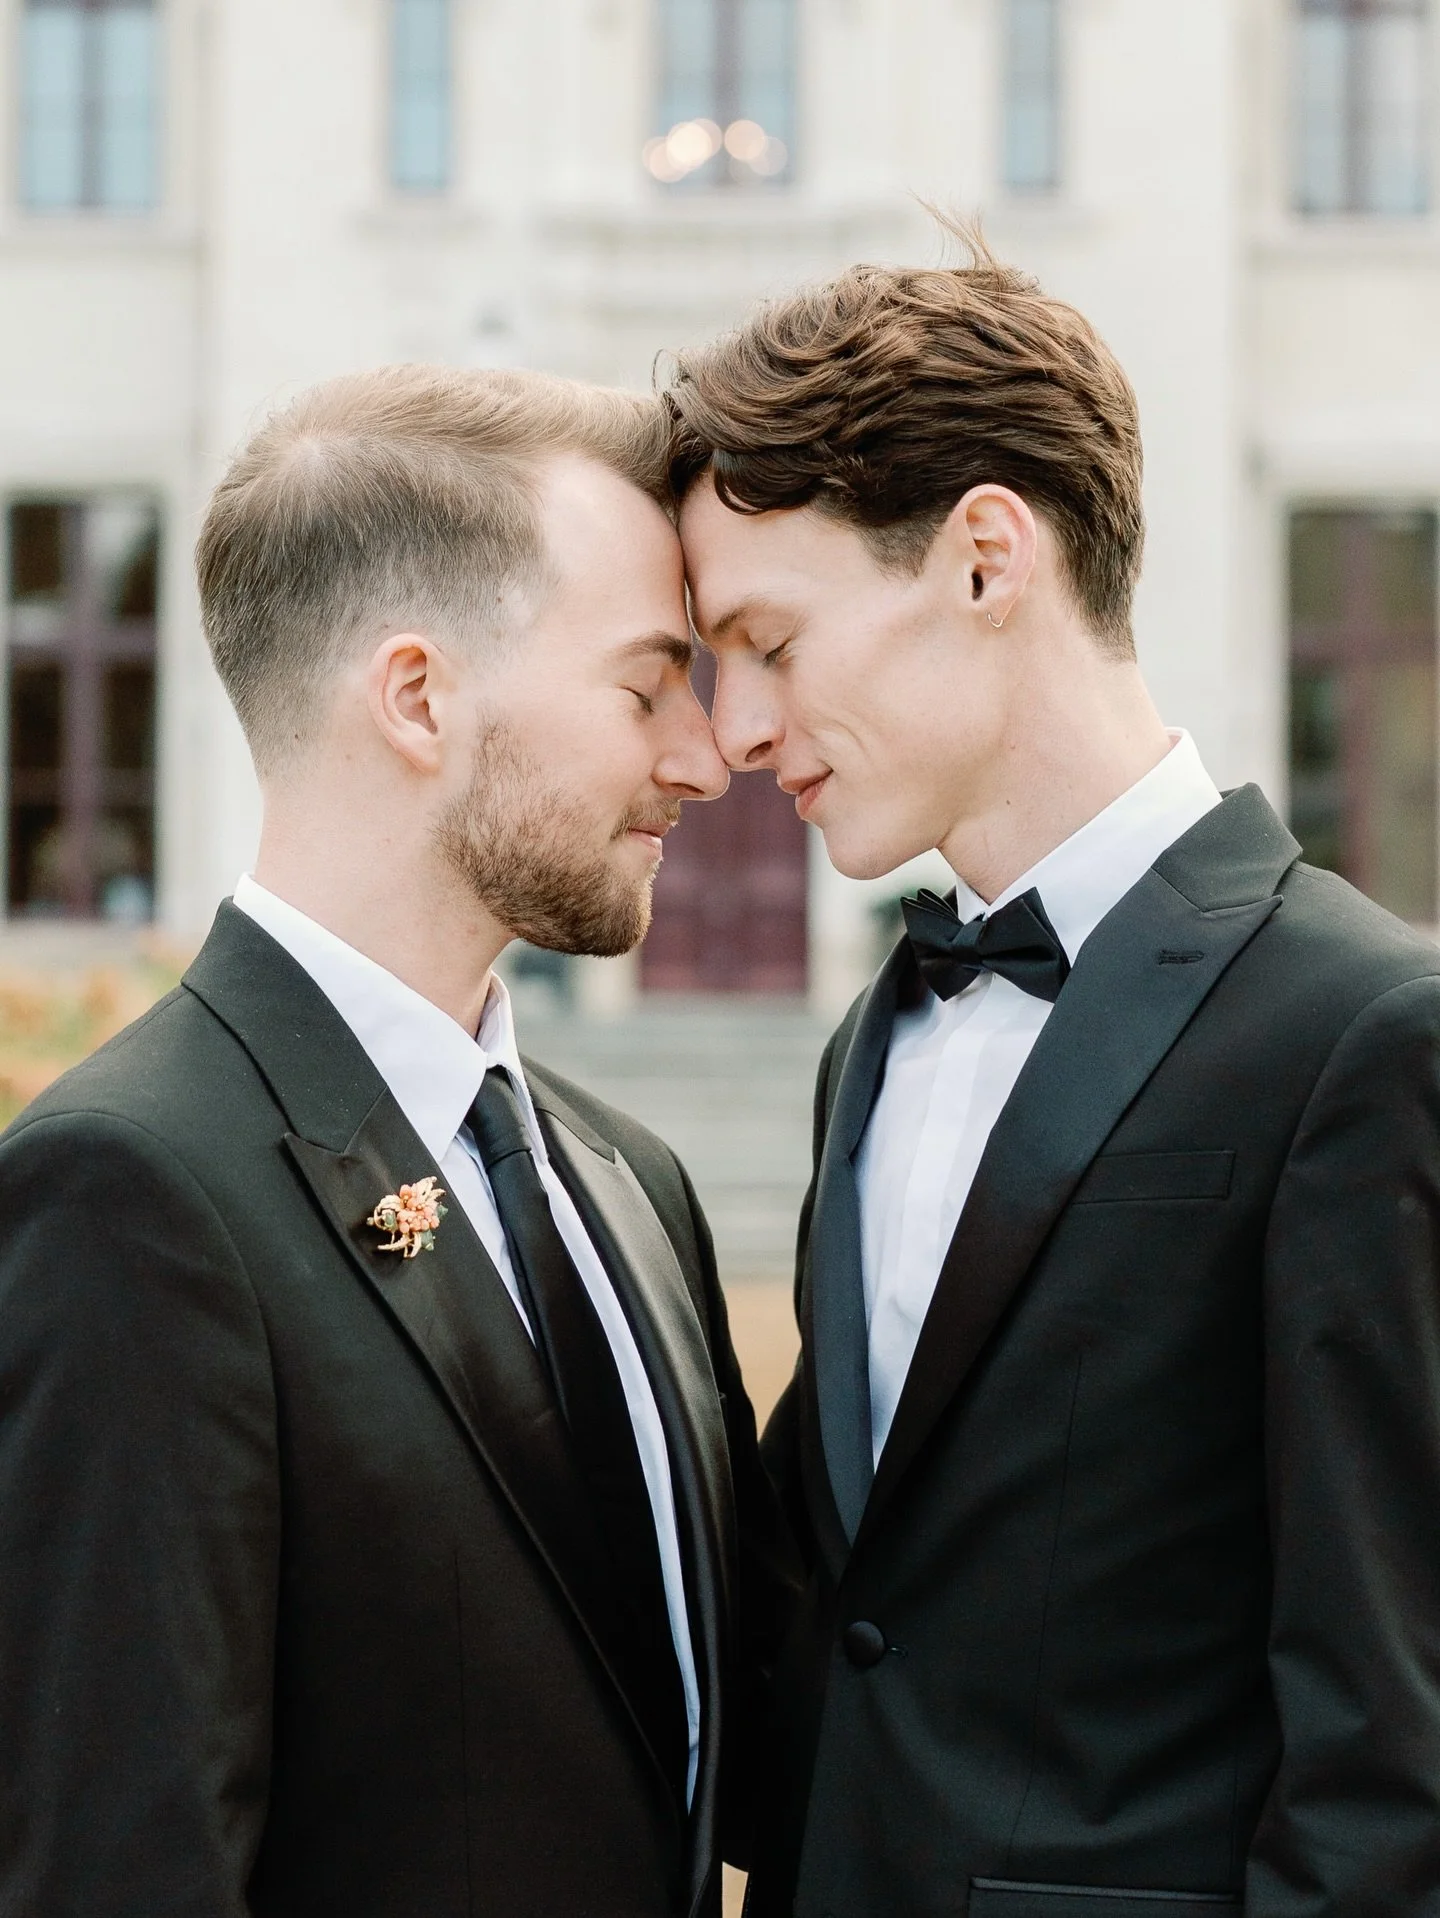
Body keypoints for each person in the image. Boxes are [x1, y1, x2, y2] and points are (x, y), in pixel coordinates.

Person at [669, 239, 1440, 1917]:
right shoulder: (874, 1041)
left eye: (769, 640)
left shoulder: (1368, 1035)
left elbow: (1394, 1760)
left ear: (984, 556)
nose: (735, 730)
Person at [0, 365, 790, 1918]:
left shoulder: (633, 1182)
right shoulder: (128, 1192)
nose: (705, 757)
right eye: (647, 686)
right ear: (419, 697)